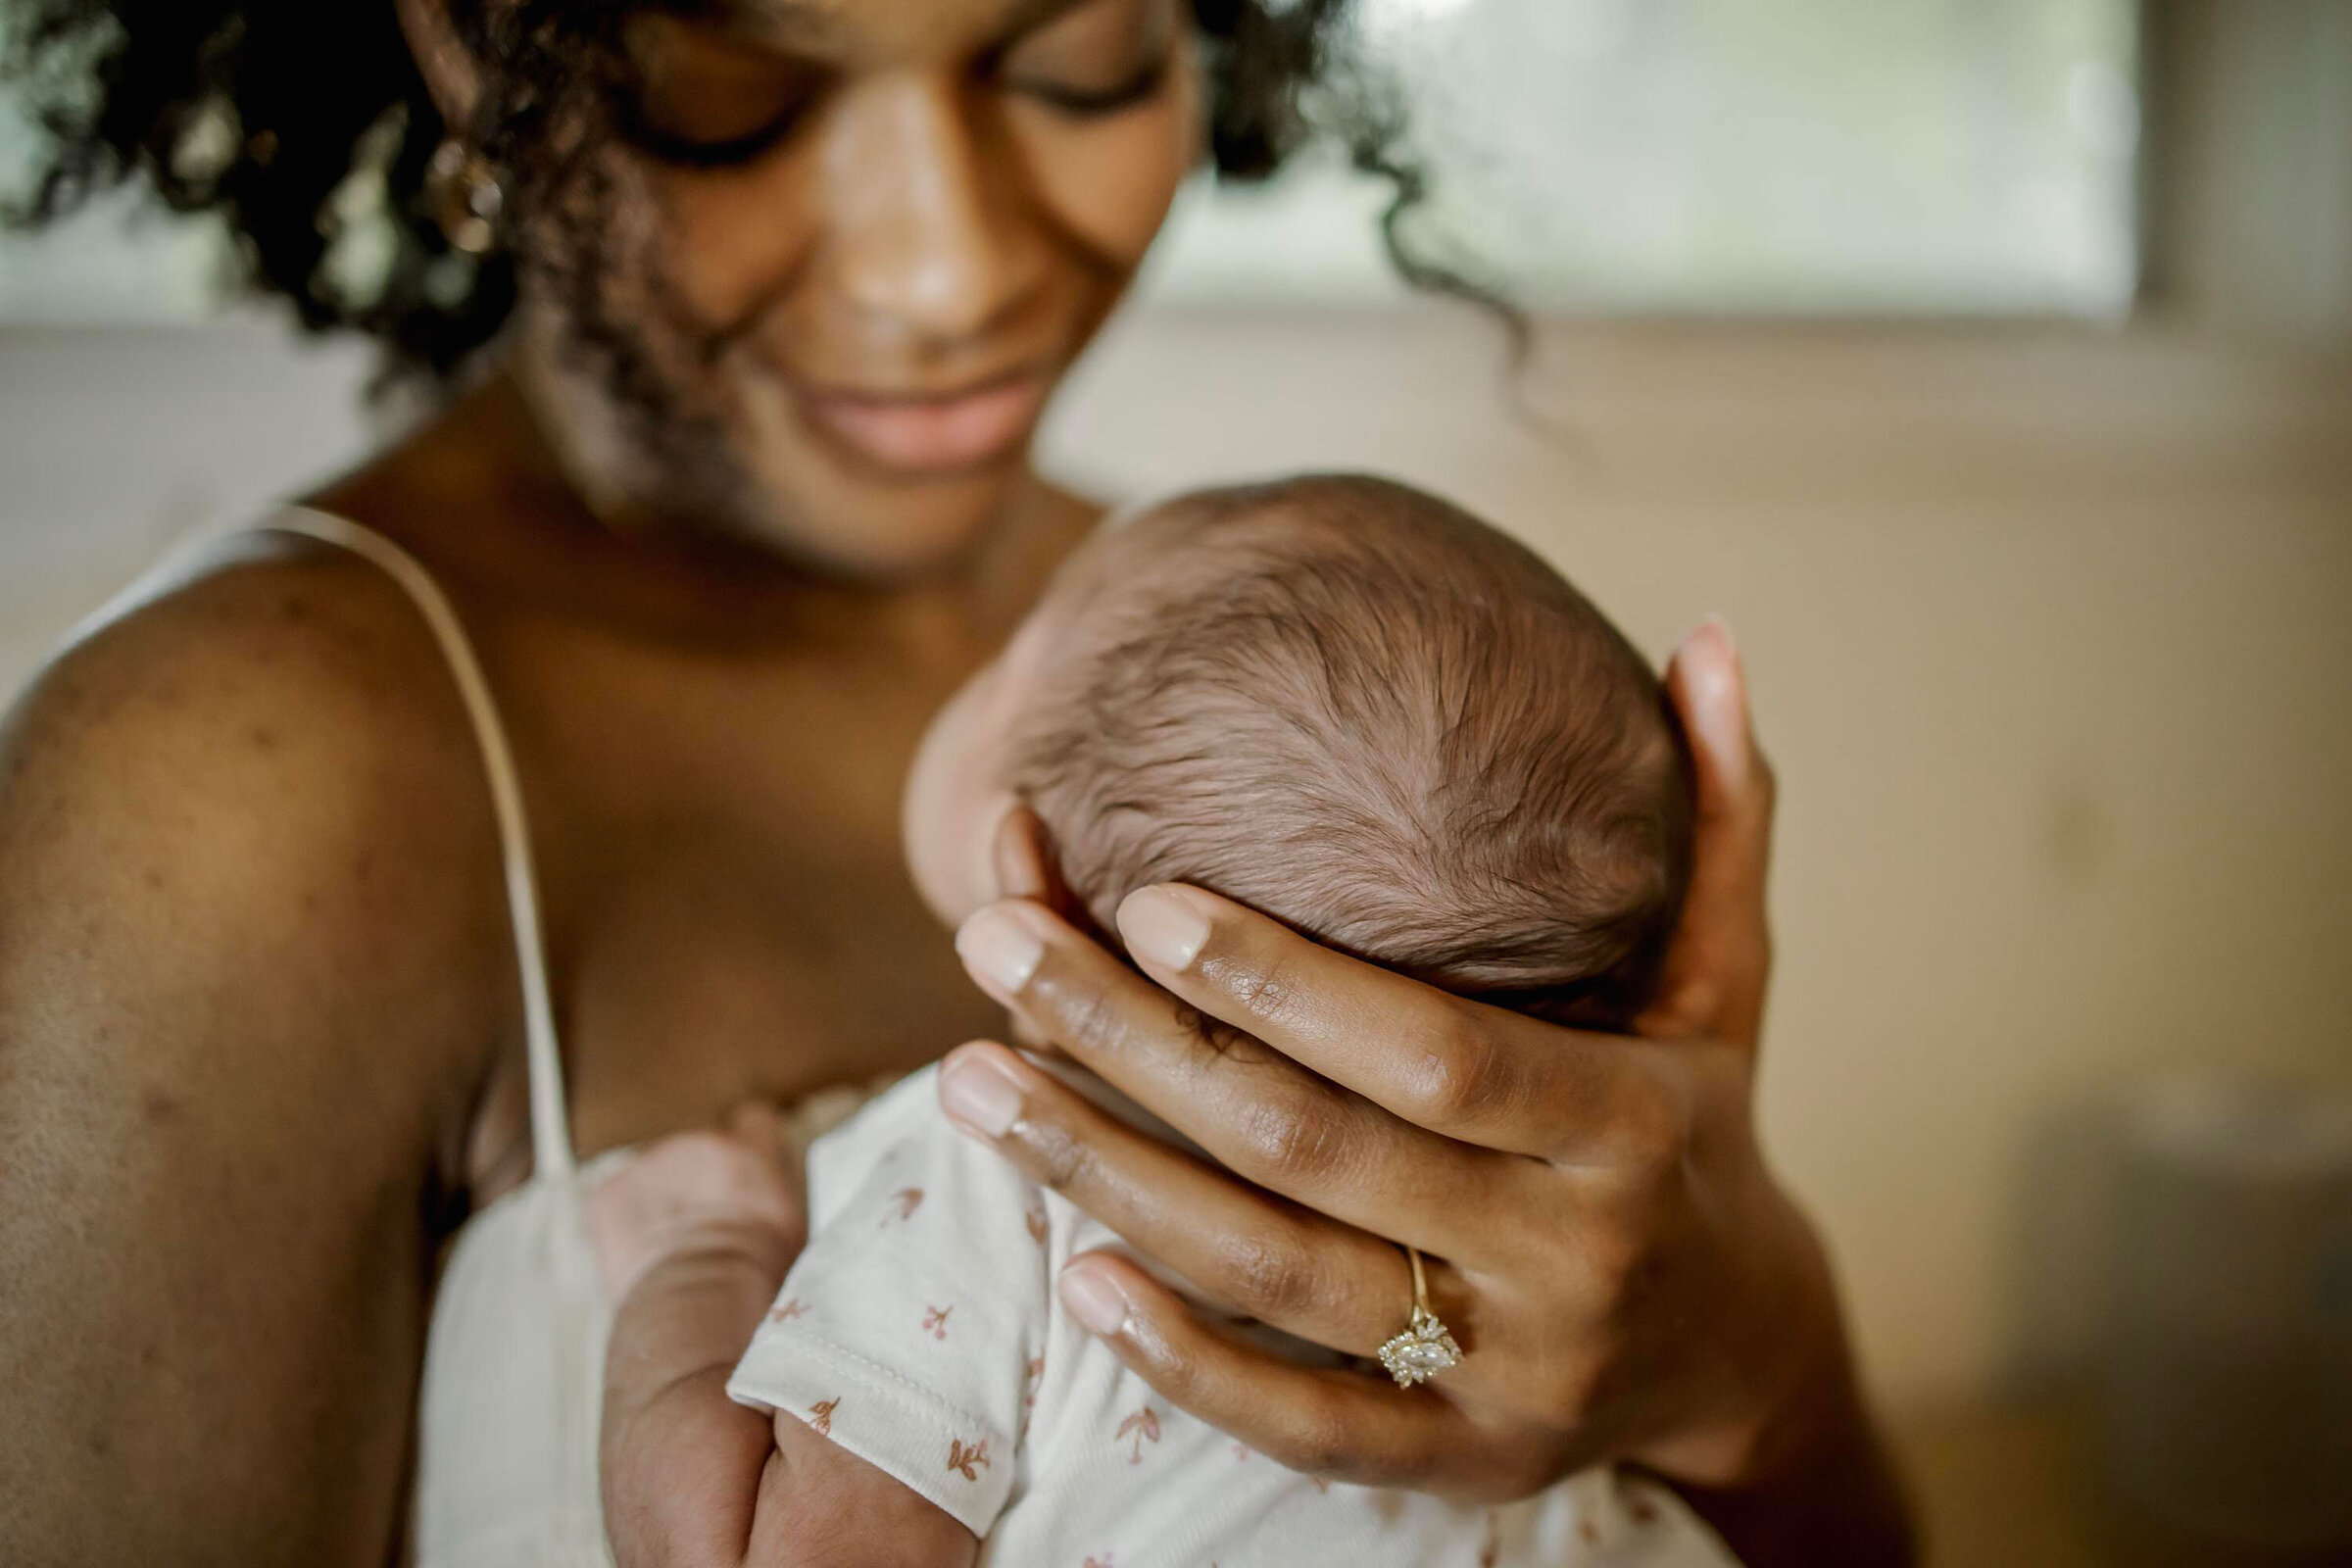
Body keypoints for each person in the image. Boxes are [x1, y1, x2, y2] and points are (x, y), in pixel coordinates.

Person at [0, 1, 1913, 1564]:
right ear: (476, 36)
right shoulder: (229, 788)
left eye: (1076, 56)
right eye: (737, 87)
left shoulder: (1283, 676)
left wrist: (1750, 1354)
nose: (949, 269)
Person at [595, 472, 1731, 1566]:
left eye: (1009, 661)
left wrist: (701, 1258)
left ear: (1032, 880)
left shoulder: (985, 1178)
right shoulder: (1545, 1306)